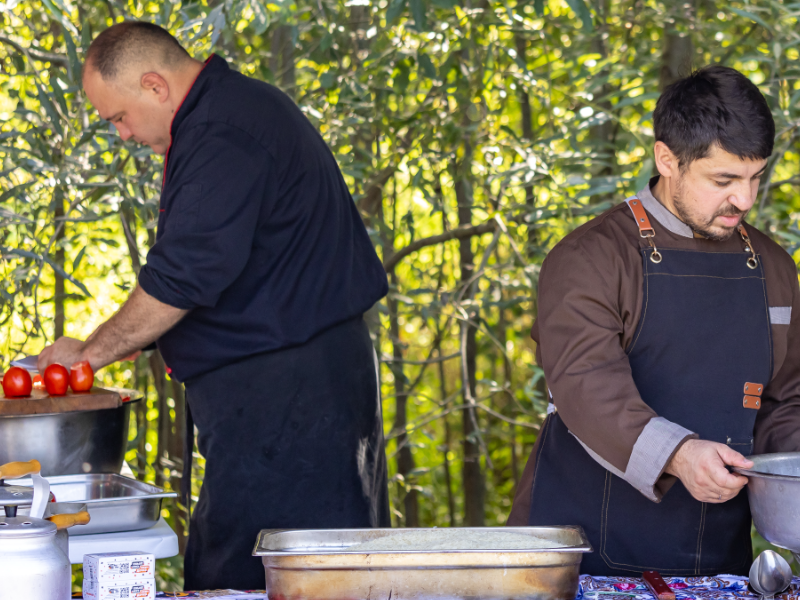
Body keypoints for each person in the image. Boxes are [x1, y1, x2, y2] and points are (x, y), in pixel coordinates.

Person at [38, 21, 391, 589]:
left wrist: (88, 355)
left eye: (118, 118)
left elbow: (184, 274)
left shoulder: (225, 128)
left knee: (275, 568)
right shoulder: (222, 116)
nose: (123, 135)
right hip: (281, 388)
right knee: (265, 555)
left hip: (291, 394)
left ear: (155, 86)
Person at [508, 66, 800, 576]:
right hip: (578, 553)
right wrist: (682, 455)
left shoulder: (773, 266)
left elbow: (784, 401)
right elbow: (585, 386)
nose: (746, 200)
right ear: (667, 159)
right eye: (724, 180)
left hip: (717, 564)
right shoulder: (591, 257)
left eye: (756, 177)